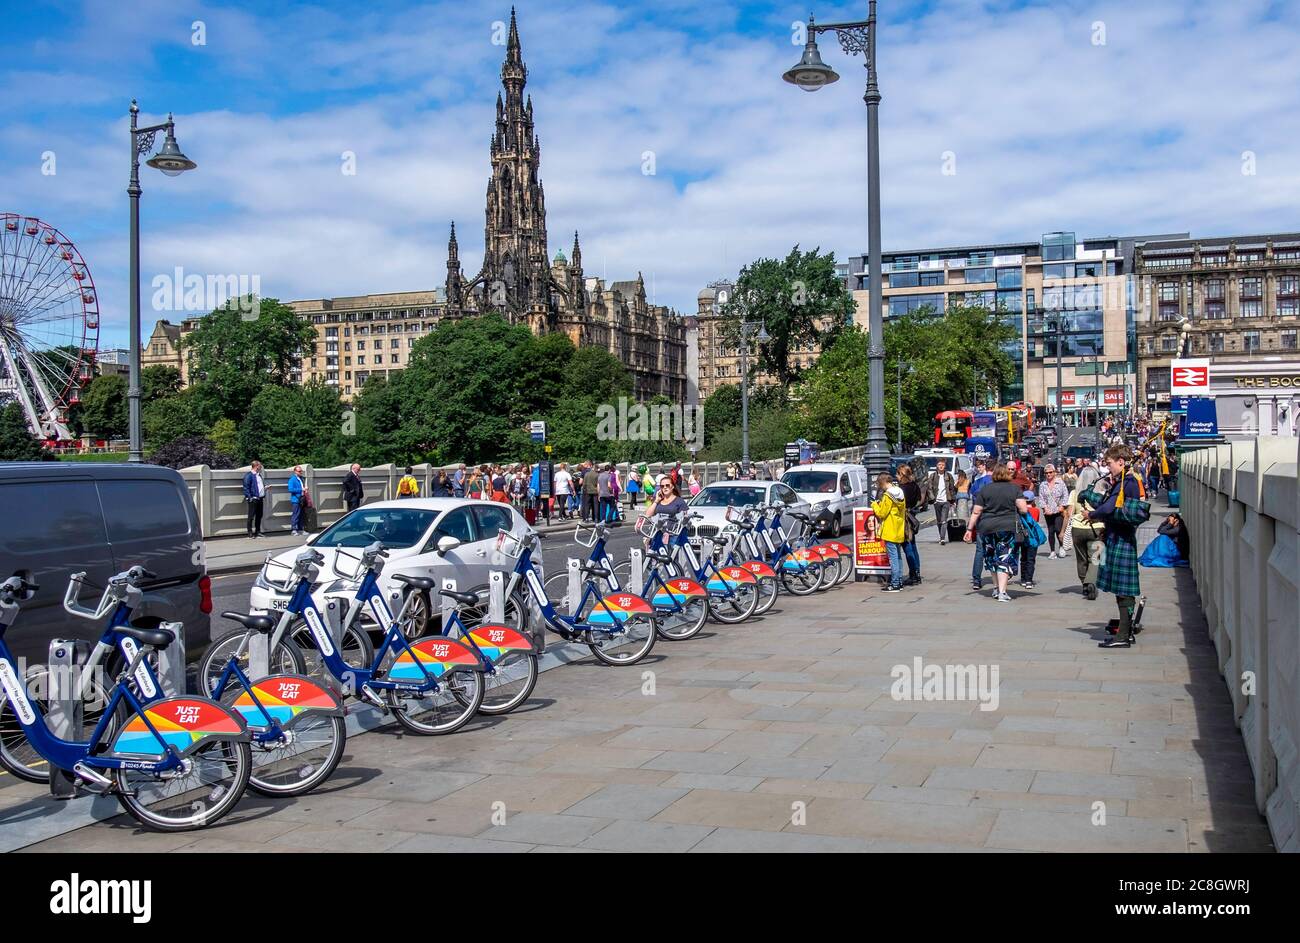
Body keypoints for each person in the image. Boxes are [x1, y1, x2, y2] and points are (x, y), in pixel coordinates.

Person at [1089, 444, 1145, 649]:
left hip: (1121, 538)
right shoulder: (1125, 481)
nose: (1108, 468)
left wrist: (1092, 514)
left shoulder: (1126, 482)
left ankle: (1123, 636)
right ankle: (1125, 631)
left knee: (1123, 590)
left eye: (1110, 463)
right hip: (1120, 537)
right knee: (1122, 590)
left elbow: (1110, 507)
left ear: (1121, 461)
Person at [964, 463, 1031, 602]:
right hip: (1007, 527)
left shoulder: (985, 489)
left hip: (987, 528)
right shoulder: (1014, 488)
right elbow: (1023, 509)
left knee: (991, 557)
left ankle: (995, 588)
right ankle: (1002, 592)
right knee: (1004, 558)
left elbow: (976, 511)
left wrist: (969, 529)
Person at [871, 473, 907, 593]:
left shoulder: (888, 495)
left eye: (880, 485)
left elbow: (882, 513)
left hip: (890, 529)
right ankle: (900, 582)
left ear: (883, 483)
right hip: (898, 528)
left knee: (893, 558)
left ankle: (895, 583)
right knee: (898, 556)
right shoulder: (900, 492)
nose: (880, 488)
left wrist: (875, 505)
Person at [968, 460, 993, 590]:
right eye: (977, 467)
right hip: (993, 519)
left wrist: (969, 528)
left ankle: (976, 579)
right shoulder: (992, 482)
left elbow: (974, 500)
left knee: (980, 550)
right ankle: (1000, 575)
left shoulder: (978, 482)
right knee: (995, 549)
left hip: (981, 519)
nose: (979, 468)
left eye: (981, 466)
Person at [897, 464, 923, 585]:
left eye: (897, 474)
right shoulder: (914, 485)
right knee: (913, 545)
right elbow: (919, 500)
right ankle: (917, 572)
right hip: (913, 516)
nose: (896, 476)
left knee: (907, 546)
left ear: (902, 475)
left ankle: (913, 574)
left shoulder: (901, 488)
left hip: (904, 519)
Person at [1037, 464, 1069, 559]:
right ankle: (1052, 551)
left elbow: (1065, 495)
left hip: (1058, 511)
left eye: (1050, 472)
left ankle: (1061, 546)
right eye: (1046, 473)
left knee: (1058, 529)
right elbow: (1041, 498)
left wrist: (1062, 506)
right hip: (1048, 511)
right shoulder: (1043, 485)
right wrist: (1044, 508)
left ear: (1054, 472)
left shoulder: (1060, 483)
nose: (1048, 474)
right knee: (1051, 531)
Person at [926, 459, 957, 545]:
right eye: (939, 464)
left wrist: (953, 500)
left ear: (945, 466)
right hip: (937, 501)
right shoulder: (932, 476)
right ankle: (941, 536)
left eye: (942, 465)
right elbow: (929, 488)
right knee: (939, 521)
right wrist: (933, 500)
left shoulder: (949, 476)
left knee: (944, 520)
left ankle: (942, 538)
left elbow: (952, 489)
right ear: (937, 466)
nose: (941, 466)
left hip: (946, 501)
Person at [1018, 489, 1040, 589]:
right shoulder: (1036, 511)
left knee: (1023, 558)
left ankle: (1022, 579)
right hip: (1032, 538)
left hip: (1022, 536)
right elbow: (1036, 522)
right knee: (1031, 559)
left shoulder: (1019, 511)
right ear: (1033, 500)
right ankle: (1029, 580)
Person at [243, 460, 267, 538]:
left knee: (259, 515)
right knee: (251, 516)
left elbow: (258, 486)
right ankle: (250, 532)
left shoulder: (258, 475)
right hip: (253, 499)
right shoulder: (249, 475)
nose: (261, 467)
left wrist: (265, 488)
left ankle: (258, 531)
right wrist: (250, 498)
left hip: (260, 498)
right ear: (256, 466)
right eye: (260, 466)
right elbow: (246, 488)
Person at [287, 465, 306, 536]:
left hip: (301, 499)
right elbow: (290, 489)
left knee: (301, 515)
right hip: (296, 499)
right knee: (296, 515)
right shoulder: (292, 479)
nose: (301, 472)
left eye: (301, 471)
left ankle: (300, 529)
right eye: (299, 471)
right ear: (295, 471)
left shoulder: (301, 478)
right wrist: (301, 489)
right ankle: (294, 529)